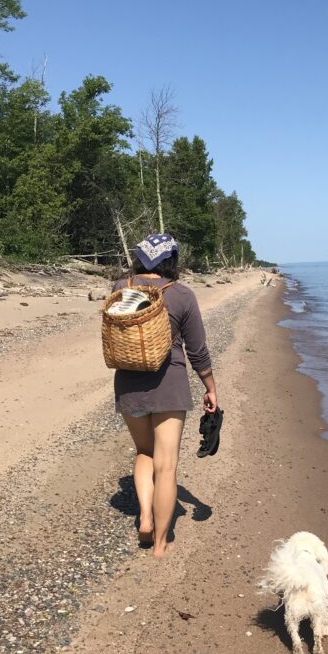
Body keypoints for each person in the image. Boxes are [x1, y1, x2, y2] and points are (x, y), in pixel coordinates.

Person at [112, 233, 217, 558]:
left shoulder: (119, 287)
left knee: (144, 452)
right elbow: (197, 350)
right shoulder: (182, 295)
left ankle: (144, 517)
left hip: (129, 382)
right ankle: (160, 542)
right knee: (167, 466)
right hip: (169, 383)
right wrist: (210, 387)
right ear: (171, 260)